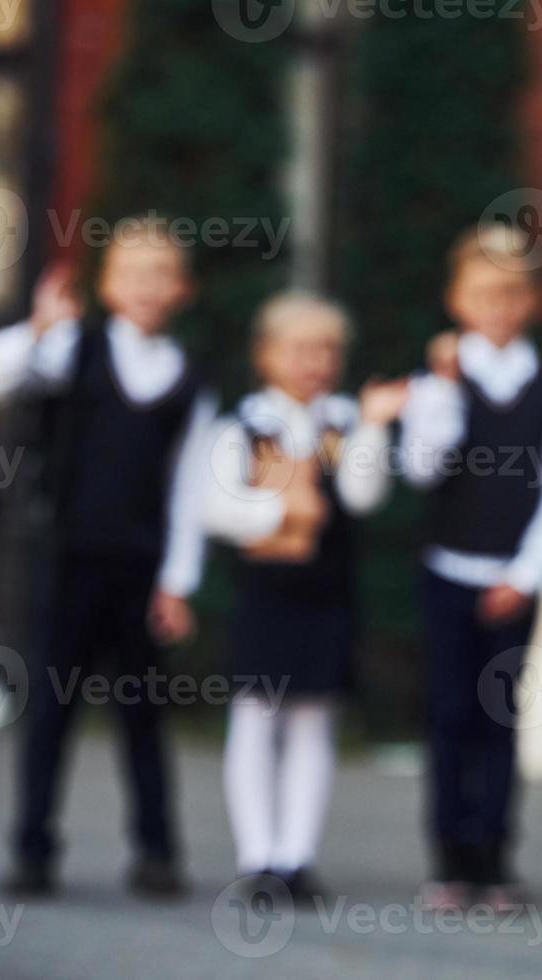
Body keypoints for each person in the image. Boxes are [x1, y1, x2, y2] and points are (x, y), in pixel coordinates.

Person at [0, 216, 216, 898]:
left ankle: (157, 851)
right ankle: (34, 848)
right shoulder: (71, 349)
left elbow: (190, 487)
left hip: (140, 565)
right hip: (67, 557)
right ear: (107, 285)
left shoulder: (188, 378)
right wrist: (39, 328)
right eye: (134, 273)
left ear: (183, 290)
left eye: (162, 275)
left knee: (143, 712)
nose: (147, 287)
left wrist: (177, 581)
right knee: (52, 709)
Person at [398, 224, 542, 912]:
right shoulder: (436, 382)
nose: (498, 307)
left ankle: (494, 857)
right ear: (457, 299)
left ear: (531, 302)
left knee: (498, 716)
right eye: (483, 294)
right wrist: (446, 390)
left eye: (511, 294)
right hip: (449, 570)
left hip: (512, 579)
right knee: (448, 713)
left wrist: (526, 573)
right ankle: (449, 861)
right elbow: (422, 465)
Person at [201, 291, 408, 900]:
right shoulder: (241, 425)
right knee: (257, 715)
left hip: (327, 592)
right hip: (266, 593)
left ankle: (296, 856)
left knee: (316, 719)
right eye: (298, 348)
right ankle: (257, 856)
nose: (313, 361)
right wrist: (281, 505)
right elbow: (215, 506)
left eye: (326, 349)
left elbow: (366, 496)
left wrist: (373, 425)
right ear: (265, 356)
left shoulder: (346, 422)